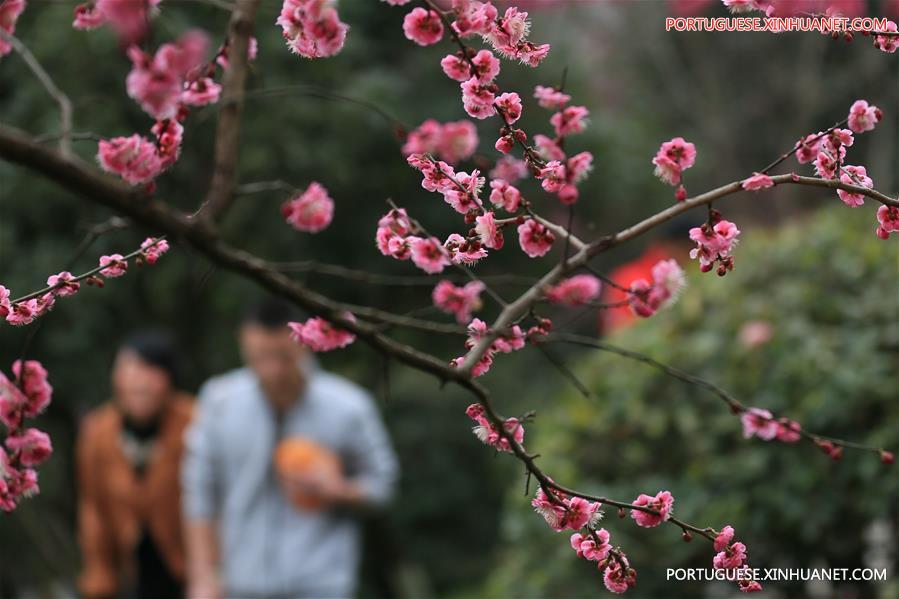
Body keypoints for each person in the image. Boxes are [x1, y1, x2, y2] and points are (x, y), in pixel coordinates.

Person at [182, 299, 399, 599]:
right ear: (243, 343)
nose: (272, 370)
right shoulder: (218, 401)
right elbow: (199, 493)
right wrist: (204, 577)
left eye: (283, 357)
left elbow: (383, 485)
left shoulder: (348, 406)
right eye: (260, 356)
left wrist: (336, 490)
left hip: (321, 583)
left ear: (305, 342)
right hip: (240, 582)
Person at [77, 333, 195, 599]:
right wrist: (99, 576)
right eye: (127, 369)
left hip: (189, 569)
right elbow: (93, 509)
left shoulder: (196, 422)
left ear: (169, 378)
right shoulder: (98, 432)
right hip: (133, 574)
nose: (137, 381)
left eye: (149, 371)